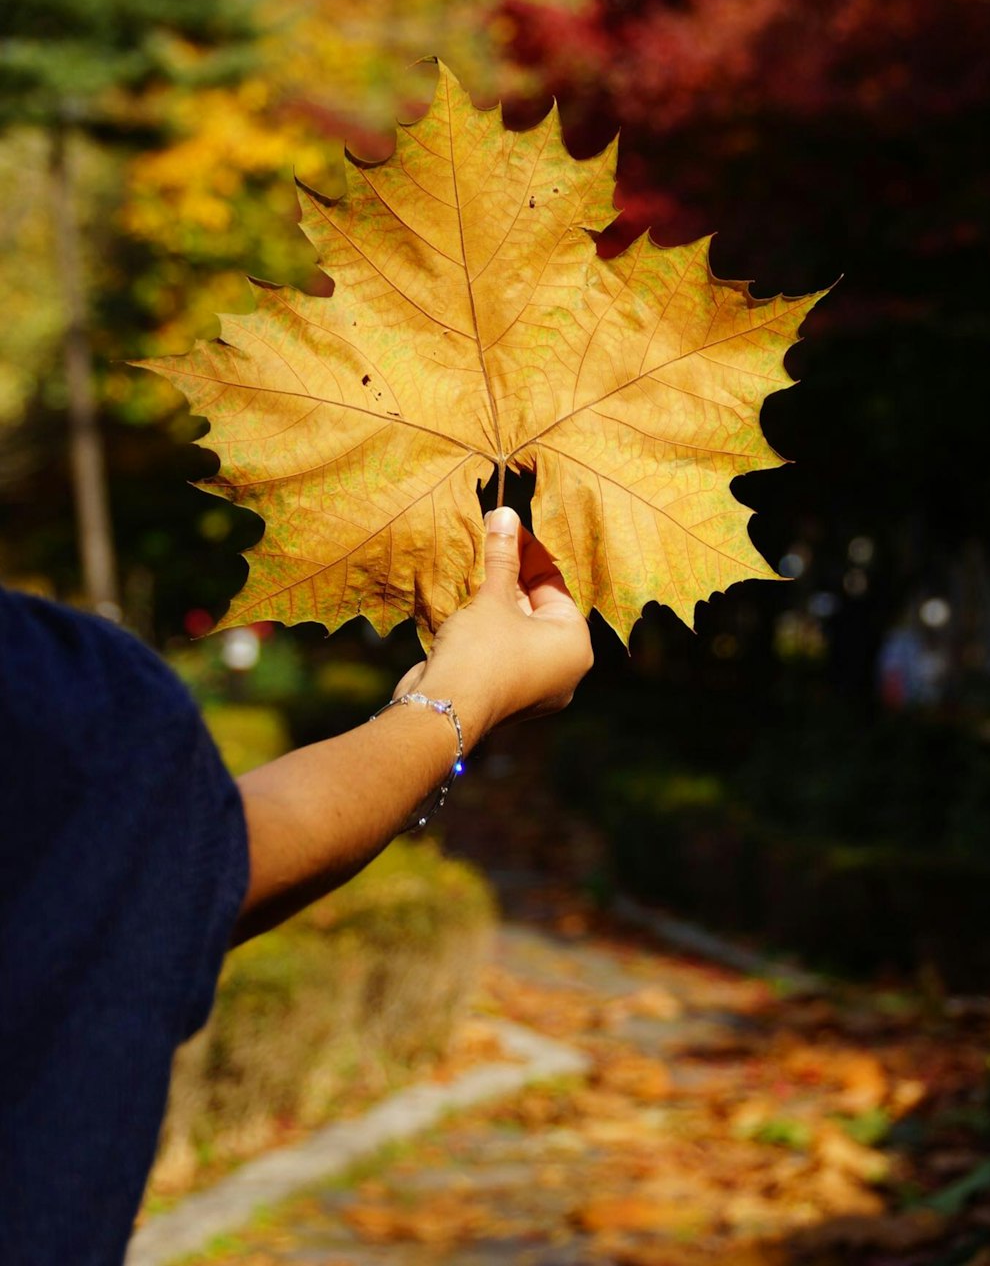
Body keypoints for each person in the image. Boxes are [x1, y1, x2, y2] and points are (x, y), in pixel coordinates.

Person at [0, 507, 592, 1265]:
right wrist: (466, 695)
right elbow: (223, 858)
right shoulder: (62, 698)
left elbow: (201, 855)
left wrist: (455, 694)